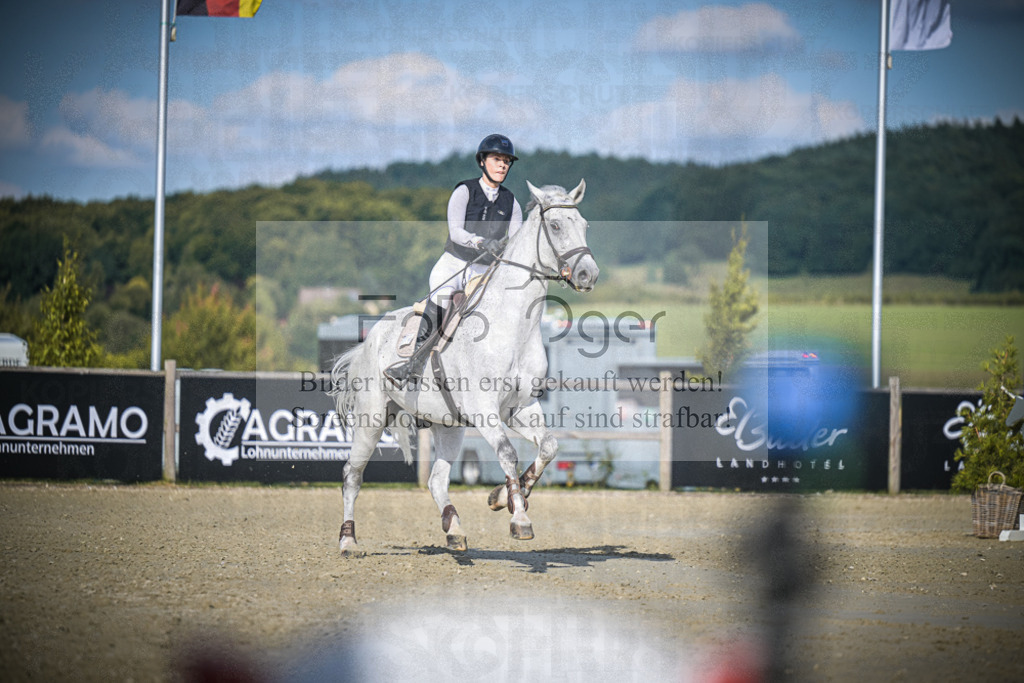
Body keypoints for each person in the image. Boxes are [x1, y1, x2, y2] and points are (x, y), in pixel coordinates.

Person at [385, 133, 524, 386]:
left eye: (506, 161)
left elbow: (515, 243)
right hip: (454, 263)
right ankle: (413, 364)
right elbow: (456, 232)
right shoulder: (464, 191)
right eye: (497, 159)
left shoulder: (512, 202)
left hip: (484, 270)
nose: (503, 165)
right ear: (482, 161)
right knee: (440, 300)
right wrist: (481, 242)